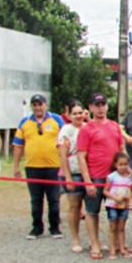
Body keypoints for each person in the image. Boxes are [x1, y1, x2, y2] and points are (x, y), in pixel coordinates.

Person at [77, 93, 126, 259]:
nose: (100, 108)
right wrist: (87, 181)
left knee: (118, 210)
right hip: (96, 176)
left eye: (103, 104)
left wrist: (127, 172)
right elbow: (81, 157)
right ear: (90, 107)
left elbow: (122, 150)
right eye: (97, 105)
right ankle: (95, 243)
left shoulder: (114, 125)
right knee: (92, 211)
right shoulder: (86, 129)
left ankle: (119, 243)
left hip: (115, 178)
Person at [12, 94, 65, 238]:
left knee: (53, 198)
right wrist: (16, 166)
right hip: (32, 166)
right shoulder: (25, 122)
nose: (38, 107)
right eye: (34, 105)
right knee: (36, 199)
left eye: (40, 104)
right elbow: (18, 145)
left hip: (53, 166)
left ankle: (54, 227)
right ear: (31, 107)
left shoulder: (56, 120)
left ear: (45, 105)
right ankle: (36, 227)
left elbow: (66, 140)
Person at [57, 101, 87, 253]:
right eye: (74, 113)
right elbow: (62, 155)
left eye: (80, 113)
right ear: (69, 115)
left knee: (91, 209)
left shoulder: (88, 127)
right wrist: (67, 176)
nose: (78, 116)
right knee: (75, 207)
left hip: (88, 173)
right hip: (73, 172)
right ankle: (75, 239)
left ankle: (94, 239)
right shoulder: (66, 130)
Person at [103, 153, 132, 259]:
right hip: (113, 204)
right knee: (112, 227)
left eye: (125, 164)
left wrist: (128, 197)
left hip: (124, 205)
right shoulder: (111, 176)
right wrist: (115, 198)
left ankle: (122, 248)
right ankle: (112, 250)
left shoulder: (130, 177)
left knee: (121, 228)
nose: (123, 167)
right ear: (115, 164)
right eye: (120, 164)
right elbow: (105, 191)